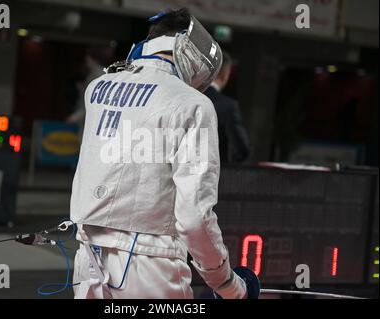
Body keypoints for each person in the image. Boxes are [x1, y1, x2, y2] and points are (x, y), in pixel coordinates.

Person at [70, 8, 257, 299]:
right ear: (190, 55)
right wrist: (227, 284)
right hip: (150, 265)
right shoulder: (193, 104)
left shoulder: (98, 89)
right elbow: (194, 218)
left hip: (88, 261)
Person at [204, 52, 250, 163]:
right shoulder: (228, 106)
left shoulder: (186, 98)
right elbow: (241, 149)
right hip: (215, 175)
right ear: (225, 75)